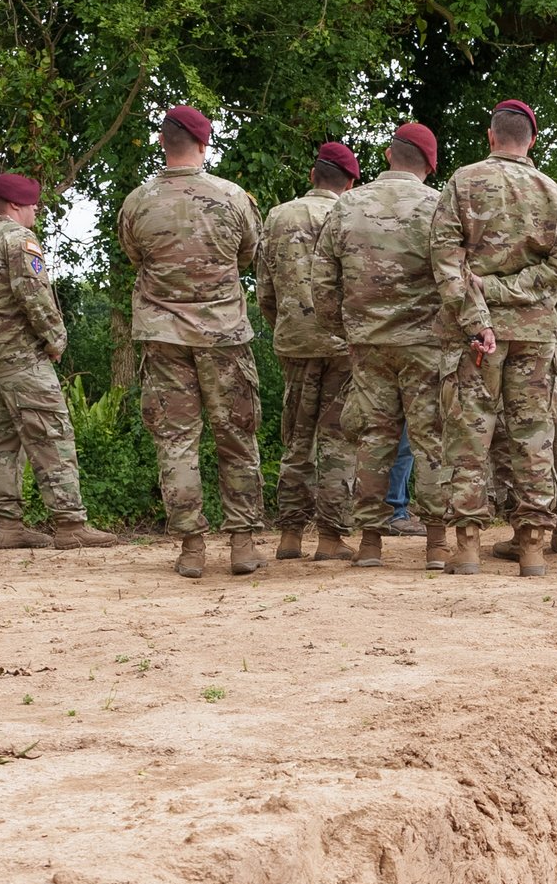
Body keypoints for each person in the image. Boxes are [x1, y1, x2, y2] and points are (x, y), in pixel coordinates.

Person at [116, 105, 266, 578]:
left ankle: (192, 547)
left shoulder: (138, 202)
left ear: (163, 143)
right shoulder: (234, 197)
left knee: (176, 440)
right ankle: (242, 543)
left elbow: (133, 255)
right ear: (204, 144)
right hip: (223, 334)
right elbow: (249, 254)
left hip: (162, 337)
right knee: (237, 436)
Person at [430, 100, 557, 576]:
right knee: (533, 437)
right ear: (530, 141)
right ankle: (532, 547)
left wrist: (479, 311)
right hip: (534, 334)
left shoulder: (463, 182)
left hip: (475, 336)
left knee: (469, 434)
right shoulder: (552, 192)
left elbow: (445, 261)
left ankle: (468, 546)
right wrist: (516, 292)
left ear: (491, 137)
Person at [311, 123, 460, 569]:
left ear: (389, 154)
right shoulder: (439, 207)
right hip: (426, 344)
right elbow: (455, 278)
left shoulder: (347, 206)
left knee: (374, 439)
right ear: (430, 165)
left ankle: (371, 543)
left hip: (368, 344)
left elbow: (321, 282)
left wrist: (348, 329)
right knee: (431, 438)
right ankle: (436, 544)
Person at [0, 174, 115, 551]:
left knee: (3, 442)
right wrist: (55, 338)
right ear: (15, 205)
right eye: (33, 205)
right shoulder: (19, 240)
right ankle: (70, 523)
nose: (36, 211)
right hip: (22, 357)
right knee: (52, 435)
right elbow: (33, 295)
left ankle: (8, 524)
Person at [255, 142, 361, 562]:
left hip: (294, 341)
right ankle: (332, 539)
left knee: (296, 439)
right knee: (337, 439)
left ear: (312, 176)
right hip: (342, 343)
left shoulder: (279, 216)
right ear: (350, 182)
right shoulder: (350, 215)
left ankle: (289, 536)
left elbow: (265, 288)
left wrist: (283, 326)